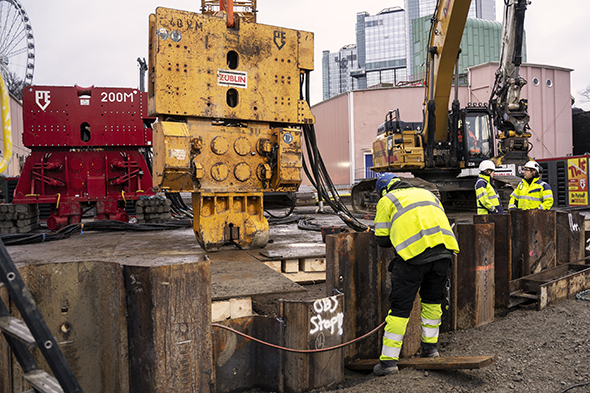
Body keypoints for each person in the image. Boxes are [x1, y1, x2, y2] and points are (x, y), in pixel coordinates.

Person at [373, 173, 459, 376]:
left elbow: (382, 240)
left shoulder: (388, 200)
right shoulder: (428, 194)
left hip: (413, 258)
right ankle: (431, 350)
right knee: (432, 303)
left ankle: (388, 363)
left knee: (400, 309)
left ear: (384, 190)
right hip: (443, 254)